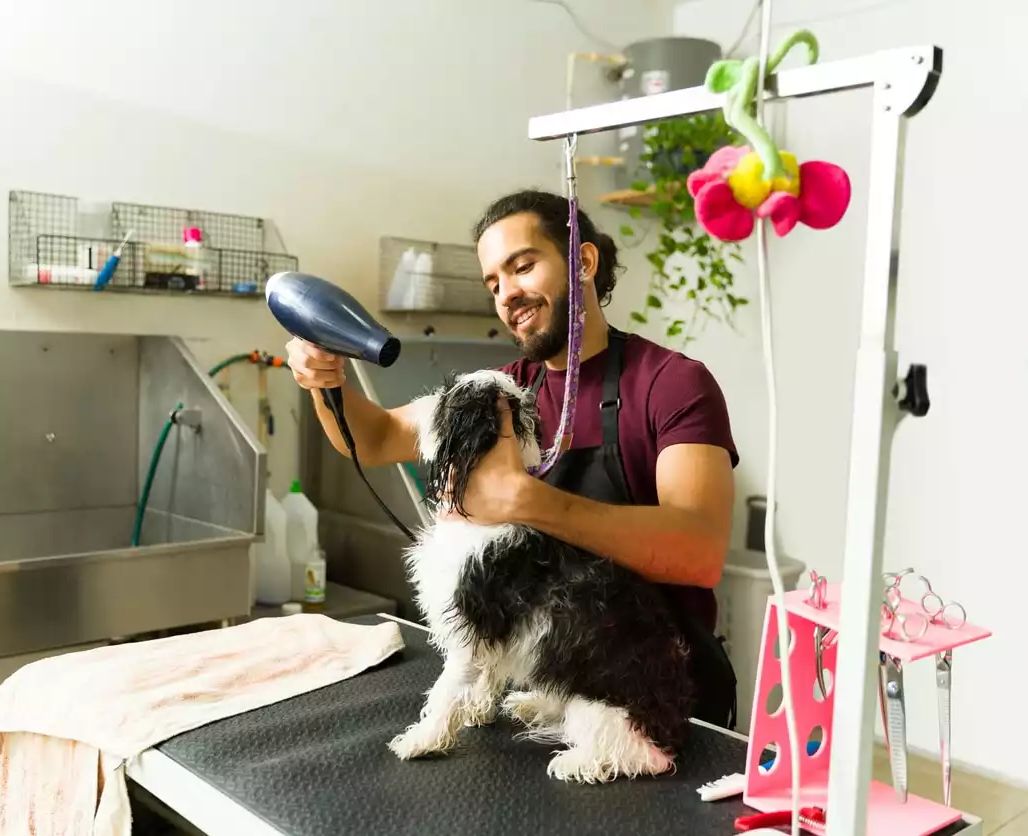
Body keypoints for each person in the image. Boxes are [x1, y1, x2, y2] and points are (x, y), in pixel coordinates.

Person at [286, 189, 741, 729]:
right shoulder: (504, 394)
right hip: (555, 693)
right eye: (493, 283)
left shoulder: (671, 383)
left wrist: (528, 501)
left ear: (584, 261)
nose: (507, 294)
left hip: (663, 704)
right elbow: (378, 438)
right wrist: (324, 382)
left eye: (522, 267)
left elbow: (698, 550)